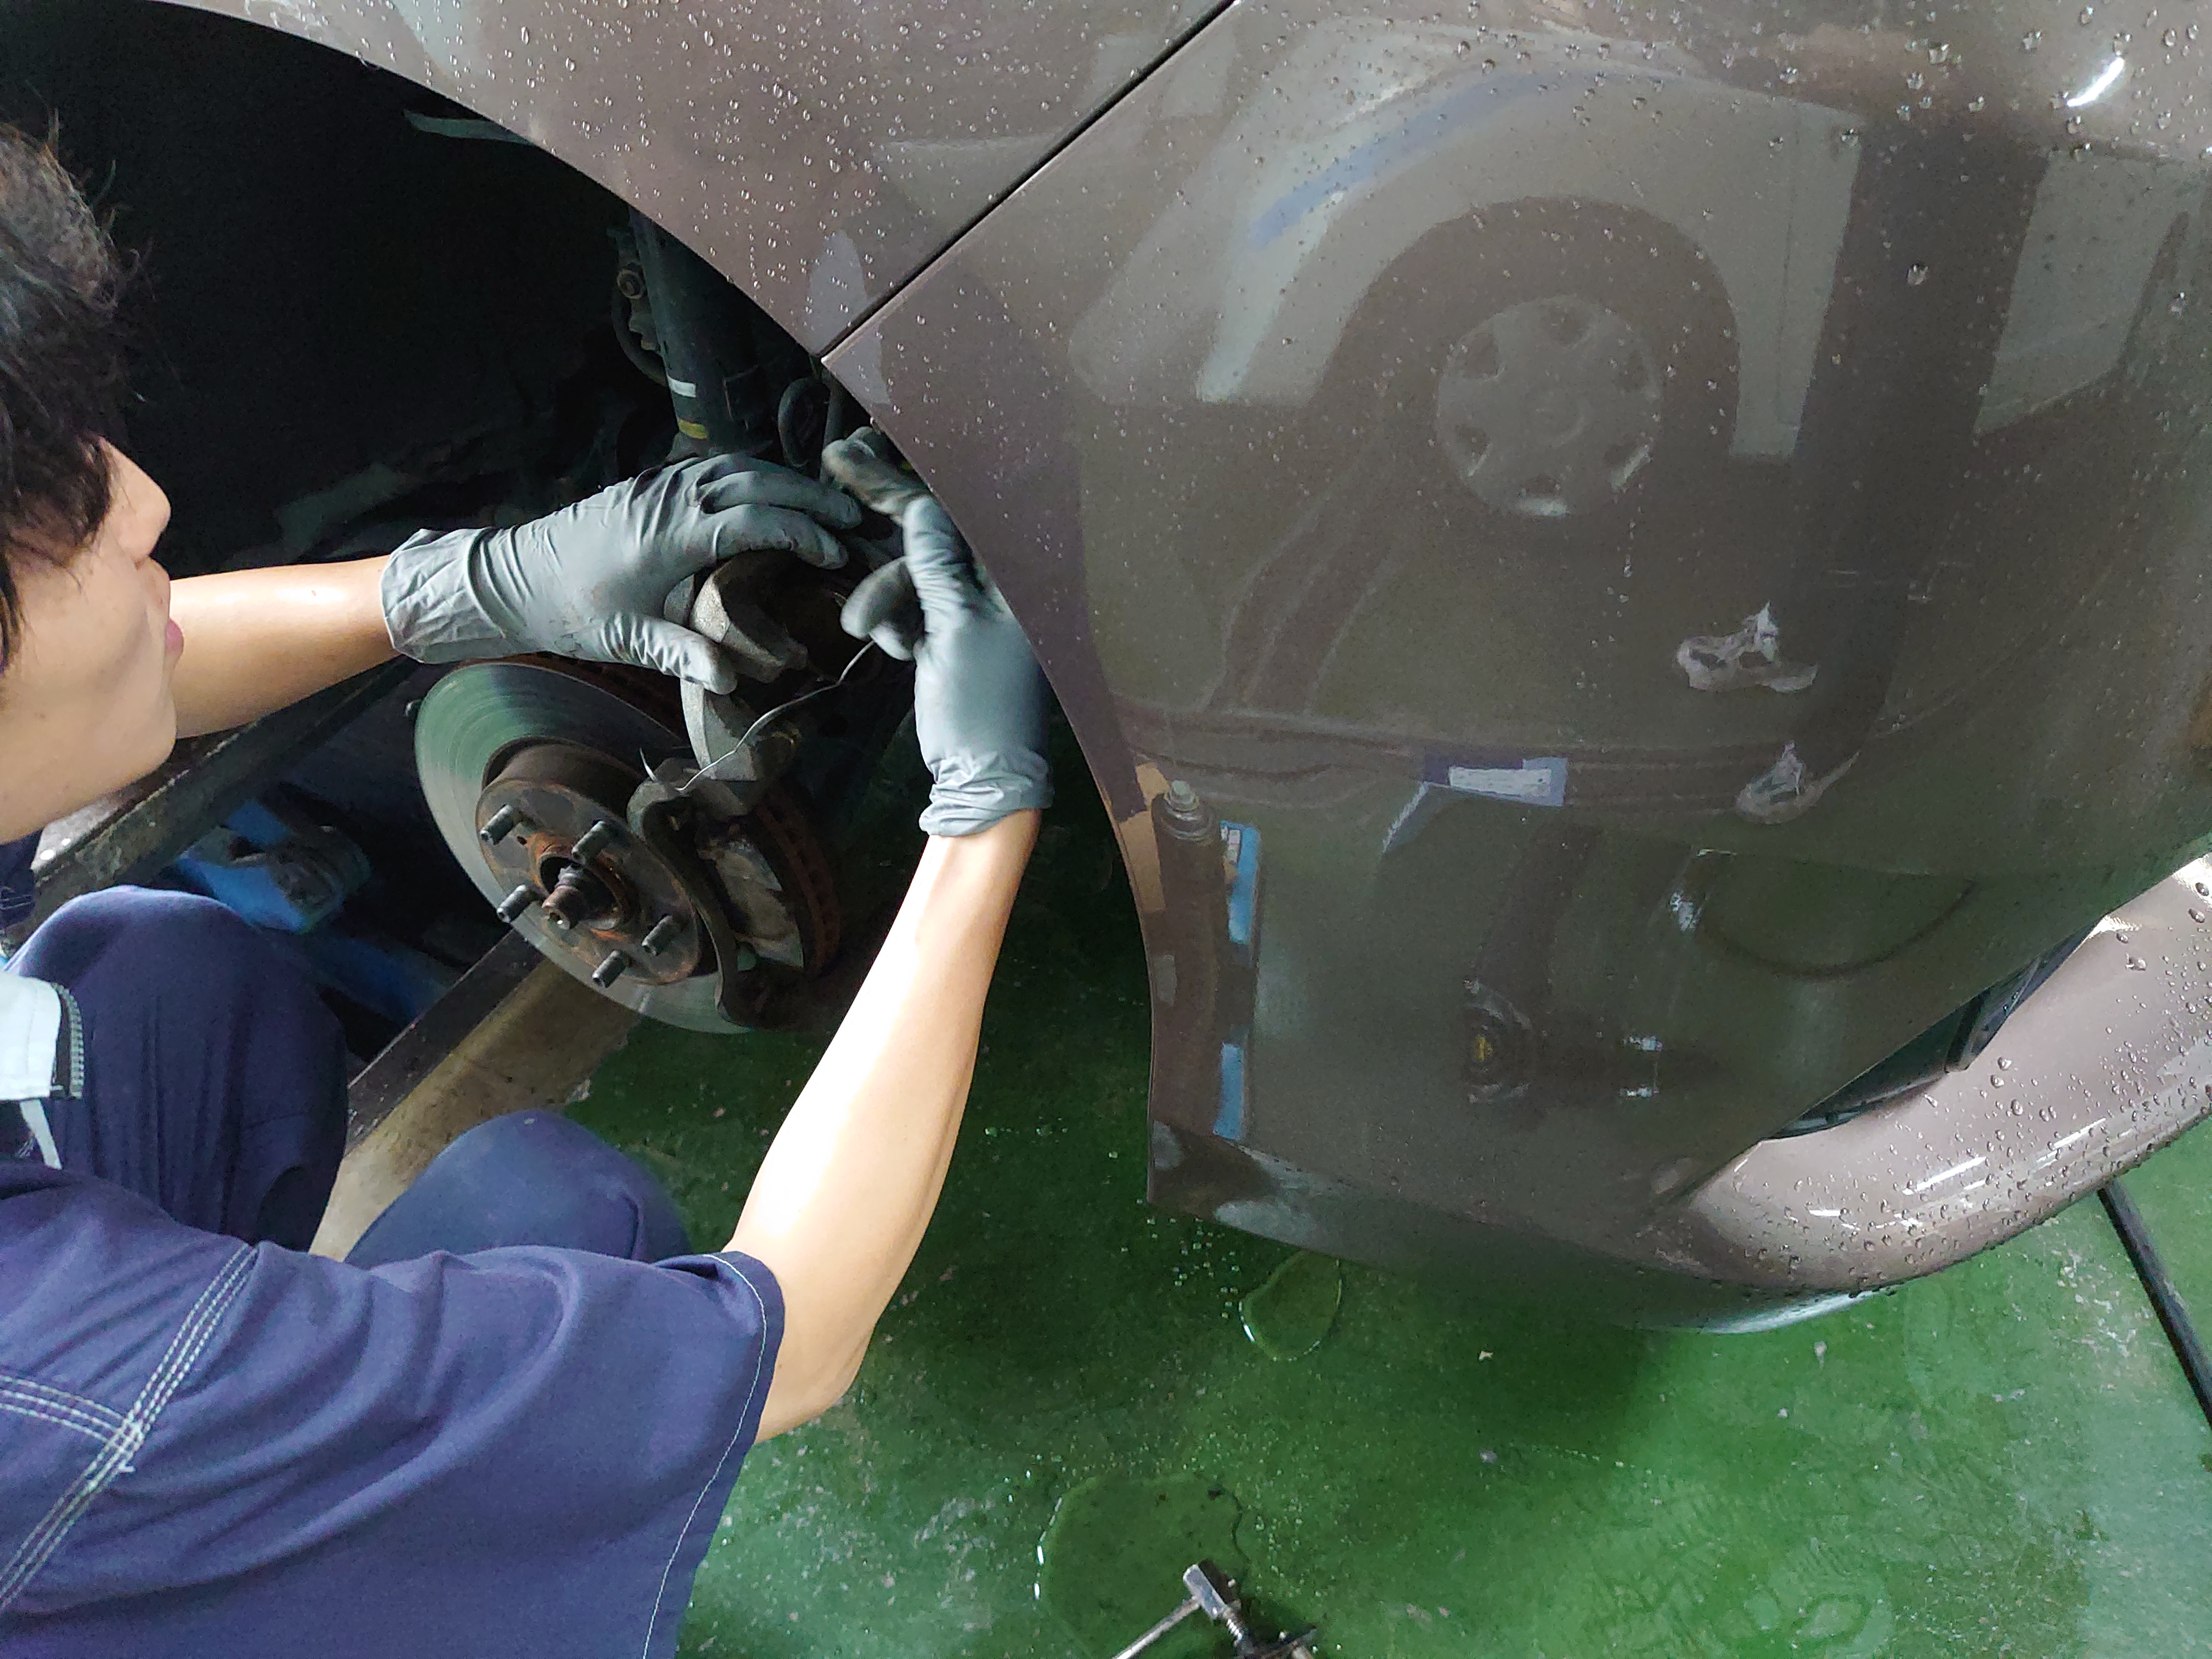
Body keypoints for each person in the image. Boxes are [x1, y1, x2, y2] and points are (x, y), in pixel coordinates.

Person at [0, 129, 1053, 1655]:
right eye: (60, 518)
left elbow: (125, 661)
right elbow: (790, 1341)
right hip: (71, 1440)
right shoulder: (61, 1383)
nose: (147, 502)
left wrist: (476, 583)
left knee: (159, 984)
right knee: (558, 1211)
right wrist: (985, 811)